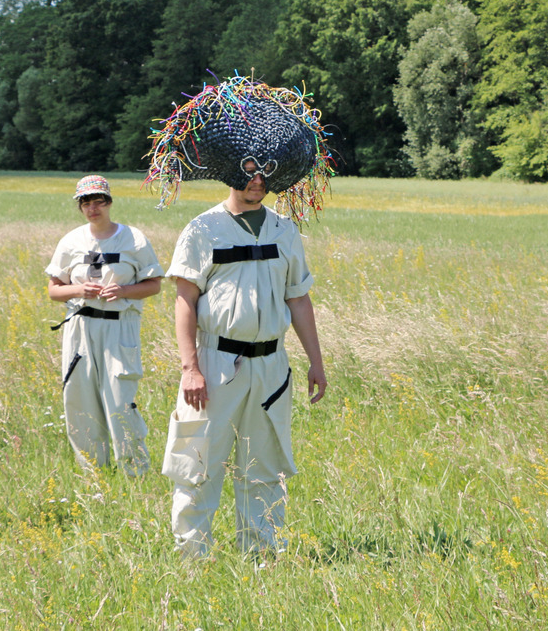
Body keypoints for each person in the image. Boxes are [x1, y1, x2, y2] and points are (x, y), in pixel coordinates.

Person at [145, 75, 333, 557]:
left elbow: (299, 300)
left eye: (266, 171)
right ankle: (192, 559)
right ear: (232, 167)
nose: (257, 179)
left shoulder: (285, 231)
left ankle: (263, 559)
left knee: (264, 466)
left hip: (271, 366)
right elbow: (184, 300)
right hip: (214, 365)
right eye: (249, 167)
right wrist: (190, 367)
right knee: (198, 462)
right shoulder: (202, 229)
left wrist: (316, 360)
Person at [46, 175, 163, 475]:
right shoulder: (71, 241)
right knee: (79, 398)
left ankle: (135, 473)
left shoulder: (133, 239)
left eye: (98, 201)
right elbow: (53, 289)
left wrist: (123, 291)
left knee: (120, 400)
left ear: (109, 202)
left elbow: (153, 284)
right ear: (80, 207)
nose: (93, 208)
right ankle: (93, 475)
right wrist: (77, 290)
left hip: (119, 327)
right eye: (86, 202)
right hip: (80, 328)